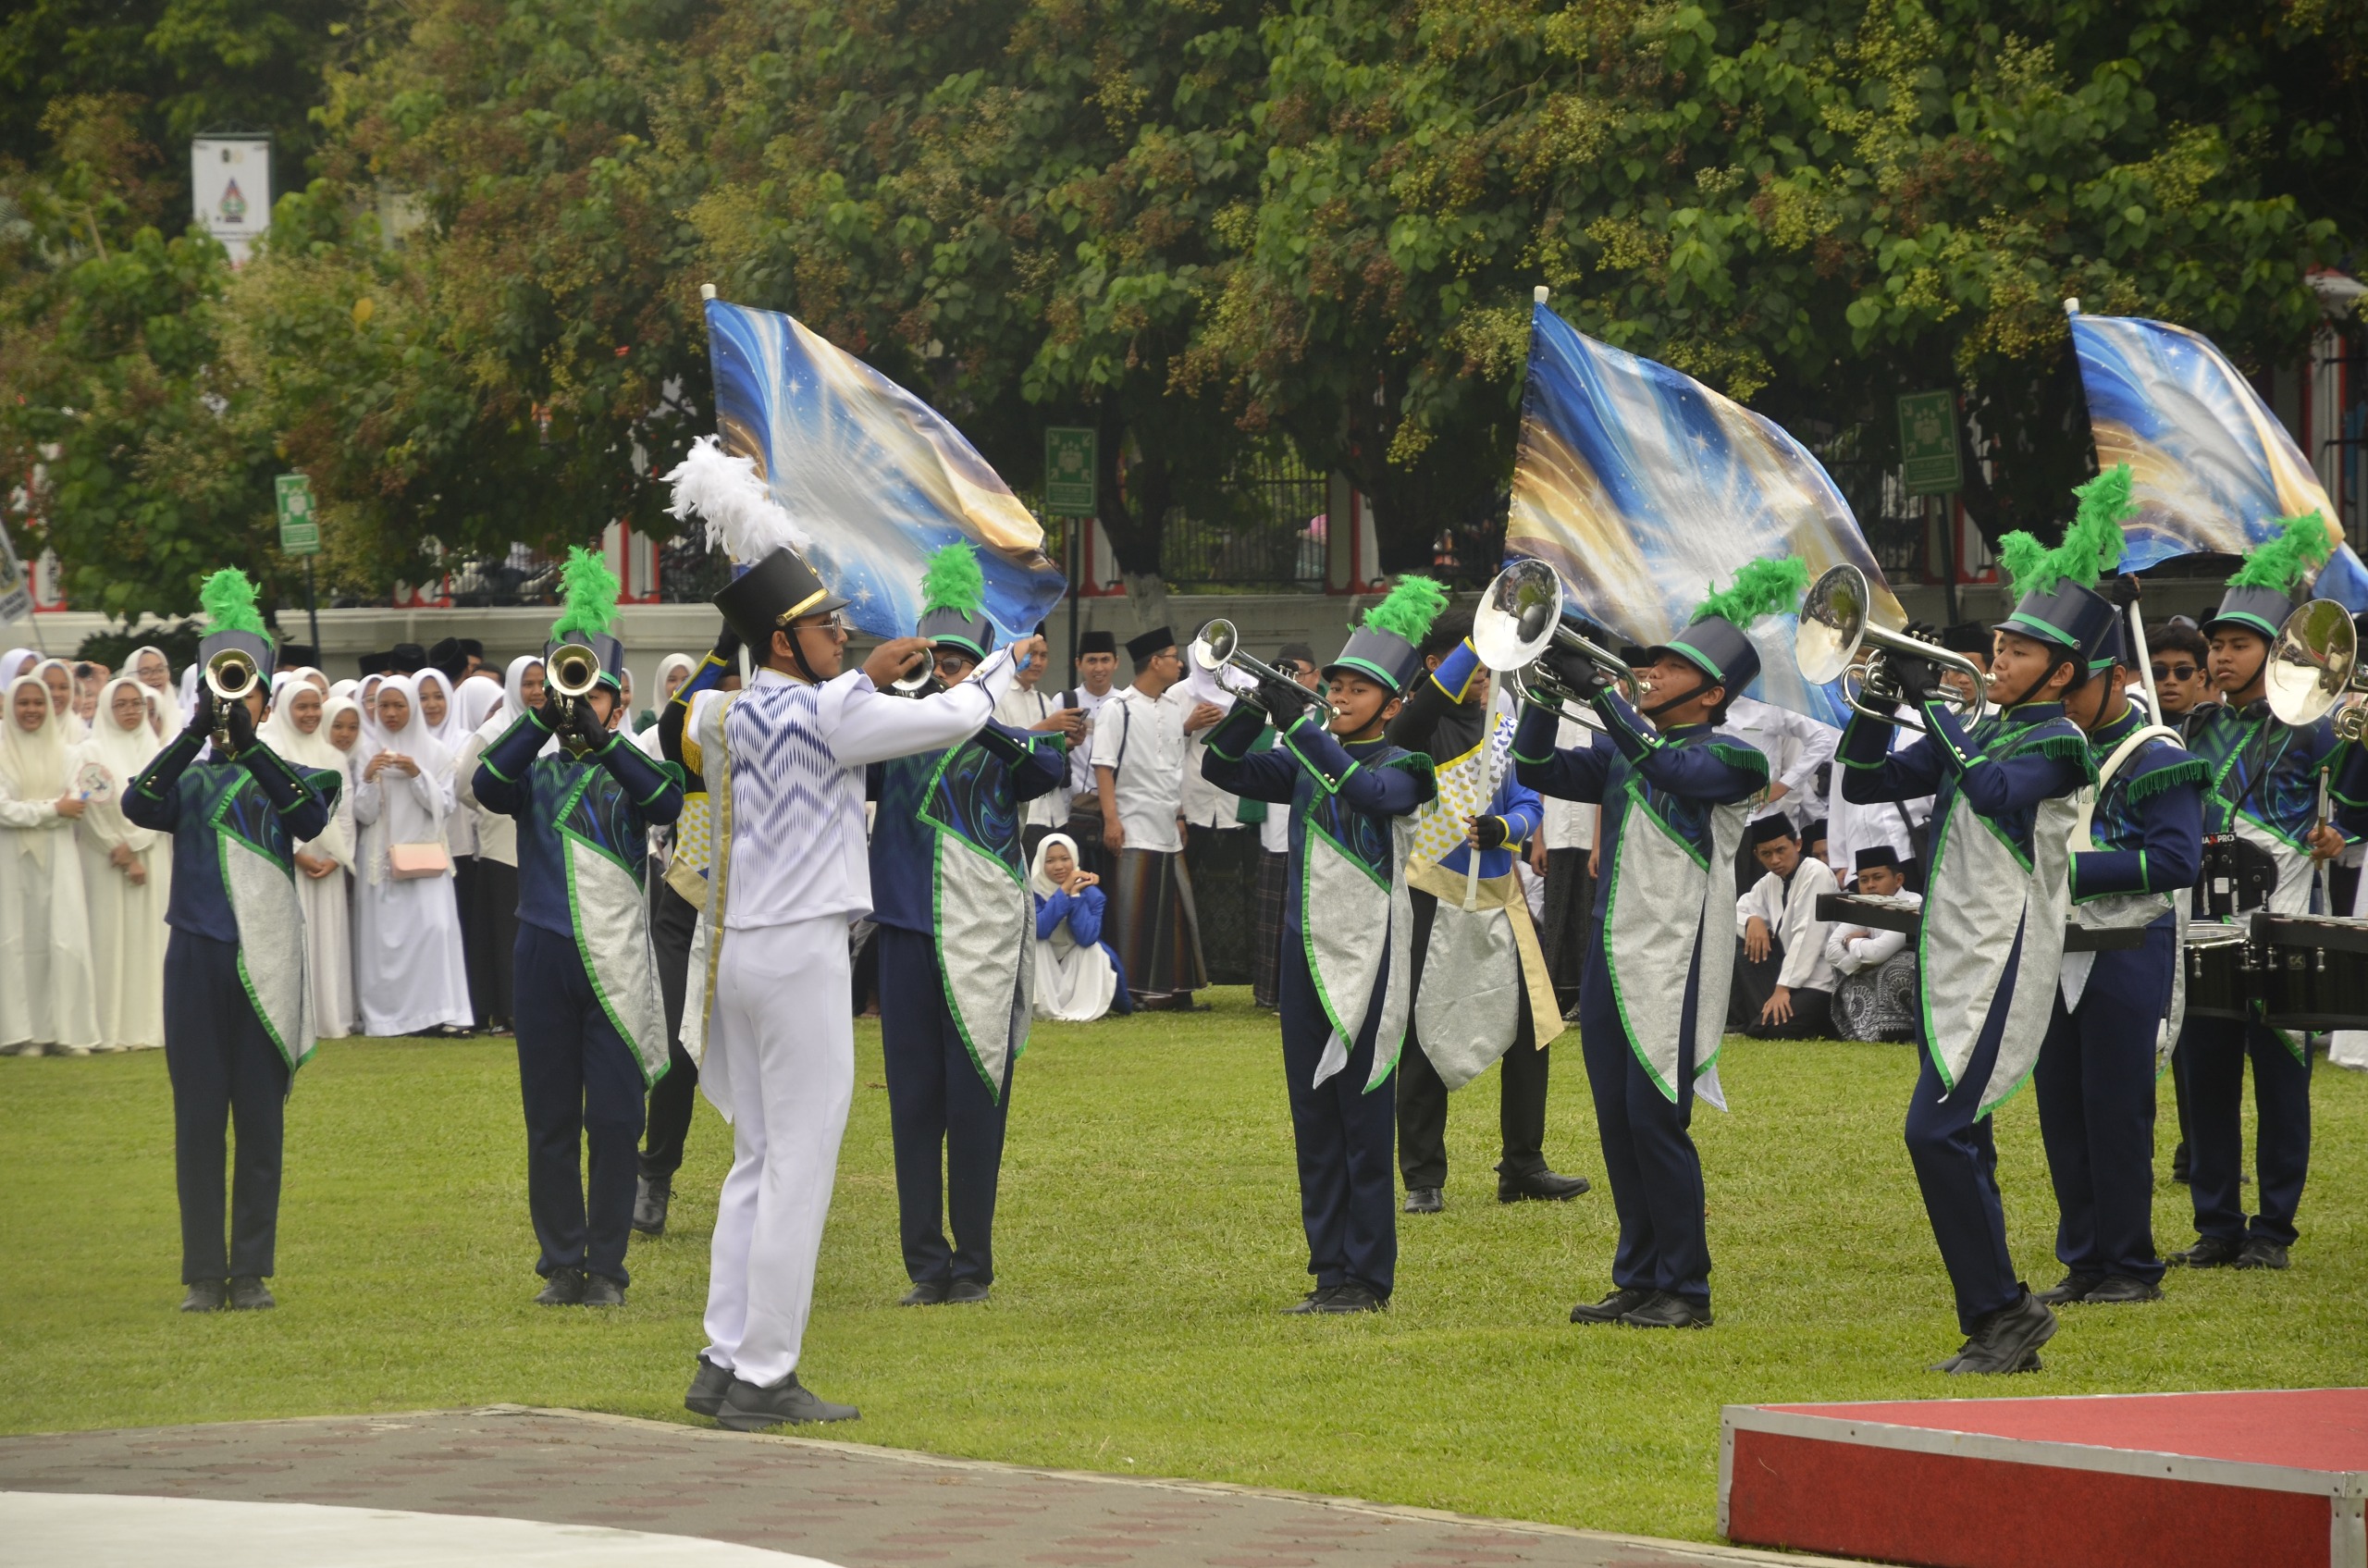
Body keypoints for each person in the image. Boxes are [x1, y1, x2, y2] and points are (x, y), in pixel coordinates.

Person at [681, 537, 1014, 1431]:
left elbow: (689, 716)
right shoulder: (831, 710)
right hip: (799, 950)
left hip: (740, 949)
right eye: (825, 624)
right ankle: (764, 1371)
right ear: (783, 640)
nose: (841, 633)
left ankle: (722, 1357)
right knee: (798, 1163)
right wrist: (1001, 663)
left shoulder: (722, 713)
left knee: (756, 1159)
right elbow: (955, 717)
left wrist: (860, 676)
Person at [1838, 513, 2111, 1373]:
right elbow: (1863, 779)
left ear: (2060, 672)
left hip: (2004, 956)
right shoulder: (1983, 727)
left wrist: (1930, 699)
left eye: (2019, 652)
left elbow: (1993, 791)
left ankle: (2005, 1310)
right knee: (1965, 1137)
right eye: (1998, 644)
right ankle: (2001, 1323)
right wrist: (1881, 699)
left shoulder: (2060, 741)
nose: (1997, 658)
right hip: (1955, 952)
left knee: (1935, 1131)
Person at [1512, 564, 1786, 1330]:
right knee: (1616, 1119)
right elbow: (1535, 767)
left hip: (1677, 959)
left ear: (1712, 694)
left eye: (1669, 667)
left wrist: (1599, 693)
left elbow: (1671, 765)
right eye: (1650, 663)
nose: (1649, 673)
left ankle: (1686, 1287)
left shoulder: (1735, 758)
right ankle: (1638, 1275)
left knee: (1654, 1119)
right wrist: (1545, 691)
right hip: (1611, 957)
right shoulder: (1624, 750)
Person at [1202, 577, 1443, 1314]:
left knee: (1363, 1121)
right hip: (1303, 957)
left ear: (1393, 705)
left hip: (1371, 958)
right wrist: (1253, 708)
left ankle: (1367, 1277)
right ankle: (1329, 1268)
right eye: (1334, 685)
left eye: (1357, 688)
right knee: (1314, 1122)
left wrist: (1301, 728)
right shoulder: (1309, 755)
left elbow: (1366, 795)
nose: (1338, 696)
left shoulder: (1407, 767)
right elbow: (1220, 767)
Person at [475, 548, 684, 1308]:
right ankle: (562, 1261)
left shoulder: (632, 765)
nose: (579, 698)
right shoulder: (531, 768)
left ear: (618, 701)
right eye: (569, 683)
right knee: (551, 1116)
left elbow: (667, 803)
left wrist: (604, 741)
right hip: (540, 954)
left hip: (616, 957)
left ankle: (608, 1266)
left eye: (593, 688)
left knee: (617, 1116)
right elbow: (485, 783)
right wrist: (541, 718)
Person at [124, 571, 336, 1311]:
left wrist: (249, 747)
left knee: (259, 1118)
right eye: (223, 686)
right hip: (194, 958)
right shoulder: (186, 782)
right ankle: (202, 1273)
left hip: (264, 960)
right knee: (198, 1119)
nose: (234, 701)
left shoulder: (297, 774)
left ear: (266, 702)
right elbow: (137, 801)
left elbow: (309, 819)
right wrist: (192, 732)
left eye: (246, 690)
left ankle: (250, 1269)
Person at [868, 544, 1067, 1307]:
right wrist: (906, 694)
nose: (938, 674)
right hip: (905, 931)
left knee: (975, 1098)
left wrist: (971, 709)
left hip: (978, 938)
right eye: (930, 662)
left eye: (954, 664)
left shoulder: (1007, 736)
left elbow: (1047, 771)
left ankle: (973, 1263)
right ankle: (926, 1263)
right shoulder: (891, 734)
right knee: (914, 1103)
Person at [2034, 507, 2205, 1308]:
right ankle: (2084, 1258)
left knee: (2116, 1108)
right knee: (2061, 1107)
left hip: (2130, 946)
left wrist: (2070, 872)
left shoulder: (2157, 754)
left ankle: (2131, 1264)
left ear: (2118, 676)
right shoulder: (2049, 746)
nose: (2062, 694)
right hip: (2057, 942)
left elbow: (2175, 860)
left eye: (2074, 680)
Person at [2173, 514, 2341, 1273]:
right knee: (2203, 1078)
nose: (2221, 655)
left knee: (2281, 1085)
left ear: (2276, 653)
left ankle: (2274, 1228)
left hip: (2284, 928)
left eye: (2239, 644)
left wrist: (2339, 832)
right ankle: (2217, 1224)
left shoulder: (2317, 733)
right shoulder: (2194, 727)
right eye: (2217, 643)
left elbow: (2355, 809)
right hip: (2206, 929)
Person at [1386, 609, 1587, 1213]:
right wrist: (1481, 638)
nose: (1484, 673)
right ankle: (1423, 1176)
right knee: (1427, 1028)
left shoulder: (1504, 715)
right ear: (1437, 665)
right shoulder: (1418, 722)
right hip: (1433, 890)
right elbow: (1412, 723)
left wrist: (1507, 827)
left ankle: (1523, 1165)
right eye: (1473, 662)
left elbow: (1528, 801)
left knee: (1532, 1028)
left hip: (1502, 894)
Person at [1092, 627, 1220, 1008]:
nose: (1179, 664)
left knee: (1176, 910)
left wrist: (1180, 816)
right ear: (1154, 662)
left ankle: (1173, 991)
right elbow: (1103, 767)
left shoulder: (1173, 708)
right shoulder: (1118, 708)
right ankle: (1133, 990)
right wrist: (1111, 820)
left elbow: (1172, 767)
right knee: (1134, 911)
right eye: (1173, 657)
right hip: (1132, 823)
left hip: (1167, 824)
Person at [352, 673, 474, 1036]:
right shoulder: (367, 751)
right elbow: (363, 814)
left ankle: (440, 1013)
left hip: (425, 859)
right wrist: (369, 777)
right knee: (385, 941)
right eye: (383, 706)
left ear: (412, 708)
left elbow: (445, 806)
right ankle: (390, 1018)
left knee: (434, 931)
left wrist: (416, 774)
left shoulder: (435, 752)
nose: (390, 713)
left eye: (398, 705)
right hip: (381, 860)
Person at [2144, 616, 2214, 1179]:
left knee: (2203, 1036)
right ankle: (2145, 1149)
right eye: (2160, 670)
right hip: (2152, 902)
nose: (2170, 681)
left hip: (2213, 898)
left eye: (2183, 672)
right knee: (2152, 1032)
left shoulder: (2213, 733)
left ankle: (2201, 1150)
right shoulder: (2137, 734)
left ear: (2202, 679)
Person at [0, 673, 102, 1056]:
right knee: (15, 939)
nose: (32, 710)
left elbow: (76, 805)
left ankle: (67, 1031)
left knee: (64, 936)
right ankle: (22, 1035)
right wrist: (51, 809)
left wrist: (41, 811)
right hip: (10, 860)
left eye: (38, 702)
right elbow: (3, 810)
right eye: (24, 703)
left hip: (59, 859)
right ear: (10, 707)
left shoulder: (70, 755)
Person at [75, 675, 172, 1051]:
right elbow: (90, 808)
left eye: (137, 704)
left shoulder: (158, 752)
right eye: (121, 704)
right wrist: (121, 849)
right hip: (106, 859)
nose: (130, 711)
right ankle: (111, 1029)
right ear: (106, 708)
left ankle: (150, 1026)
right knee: (110, 939)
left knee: (151, 939)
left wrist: (136, 845)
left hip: (152, 855)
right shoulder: (90, 752)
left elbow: (166, 806)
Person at [456, 657, 543, 1041]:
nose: (536, 691)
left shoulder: (556, 731)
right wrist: (501, 805)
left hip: (541, 846)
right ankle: (506, 1013)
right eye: (528, 684)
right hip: (503, 845)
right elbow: (465, 785)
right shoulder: (493, 732)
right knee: (506, 931)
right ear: (513, 687)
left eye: (542, 683)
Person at [275, 690, 361, 1039]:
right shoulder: (276, 753)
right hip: (289, 861)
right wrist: (297, 852)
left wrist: (337, 859)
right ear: (286, 709)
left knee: (327, 939)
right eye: (302, 707)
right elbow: (274, 809)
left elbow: (345, 811)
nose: (310, 713)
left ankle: (329, 1016)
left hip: (327, 863)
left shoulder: (332, 756)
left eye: (315, 706)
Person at [1250, 644, 1319, 1010]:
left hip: (1314, 831)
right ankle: (1269, 993)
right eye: (1285, 675)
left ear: (1316, 677)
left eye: (1300, 675)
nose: (1293, 682)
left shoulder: (1327, 715)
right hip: (1274, 830)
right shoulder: (1266, 714)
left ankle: (1301, 994)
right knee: (1271, 915)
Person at [1729, 814, 1839, 1040]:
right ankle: (1760, 1017)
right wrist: (1752, 921)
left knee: (1772, 1029)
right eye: (1766, 854)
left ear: (1797, 844)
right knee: (1741, 948)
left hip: (1821, 979)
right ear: (1757, 855)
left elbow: (1807, 936)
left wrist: (1783, 989)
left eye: (1781, 850)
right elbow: (1736, 912)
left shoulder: (1815, 872)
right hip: (1786, 971)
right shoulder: (1769, 881)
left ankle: (1766, 1019)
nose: (1775, 860)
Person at [993, 625, 1086, 858]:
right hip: (1026, 812)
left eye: (1043, 656)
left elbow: (1045, 751)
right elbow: (1003, 747)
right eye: (1031, 654)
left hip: (1056, 812)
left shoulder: (1044, 700)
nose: (1037, 662)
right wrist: (1048, 725)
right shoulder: (998, 697)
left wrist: (1068, 742)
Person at [1823, 846, 1921, 1042]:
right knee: (1844, 970)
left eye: (1877, 878)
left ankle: (1904, 1031)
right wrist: (1860, 963)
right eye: (1863, 880)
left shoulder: (1912, 902)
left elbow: (1877, 954)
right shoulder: (1865, 905)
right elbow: (1831, 950)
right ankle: (1867, 1033)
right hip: (1874, 965)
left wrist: (1851, 942)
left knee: (1896, 965)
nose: (1870, 886)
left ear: (1898, 880)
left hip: (1914, 974)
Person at [1030, 833, 1129, 1020]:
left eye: (1064, 859)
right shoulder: (1031, 893)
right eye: (1050, 860)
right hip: (1045, 963)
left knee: (1094, 950)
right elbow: (1041, 929)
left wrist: (1075, 895)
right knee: (1036, 944)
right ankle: (1045, 1008)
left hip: (1073, 963)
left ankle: (1081, 1007)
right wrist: (1064, 890)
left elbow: (1087, 938)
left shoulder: (1093, 895)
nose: (1058, 866)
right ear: (1041, 862)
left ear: (1074, 859)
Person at [1062, 630, 1122, 878]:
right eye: (1092, 660)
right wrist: (1081, 790)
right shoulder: (1065, 701)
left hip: (1117, 809)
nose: (1099, 668)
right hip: (1074, 808)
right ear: (1079, 663)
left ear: (1116, 662)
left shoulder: (1124, 703)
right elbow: (1056, 752)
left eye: (1105, 660)